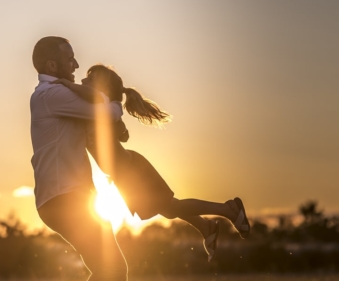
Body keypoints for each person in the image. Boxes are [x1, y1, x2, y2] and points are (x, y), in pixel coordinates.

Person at [52, 64, 250, 262]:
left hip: (132, 170)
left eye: (90, 78)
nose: (84, 80)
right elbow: (122, 134)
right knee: (168, 207)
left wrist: (67, 84)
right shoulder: (95, 109)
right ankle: (206, 227)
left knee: (170, 208)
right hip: (124, 172)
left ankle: (227, 209)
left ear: (102, 89)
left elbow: (108, 116)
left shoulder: (99, 104)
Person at [30, 37, 127, 281]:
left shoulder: (58, 94)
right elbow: (107, 113)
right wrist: (115, 98)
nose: (75, 64)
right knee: (112, 270)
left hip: (75, 197)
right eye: (70, 58)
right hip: (64, 198)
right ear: (51, 65)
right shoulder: (52, 94)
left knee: (111, 271)